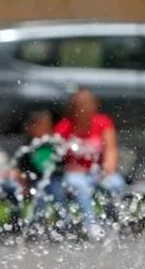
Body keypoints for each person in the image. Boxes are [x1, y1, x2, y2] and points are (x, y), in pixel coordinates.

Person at [51, 89, 126, 240]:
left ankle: (112, 222)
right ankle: (90, 224)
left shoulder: (103, 123)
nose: (83, 108)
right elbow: (55, 157)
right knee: (79, 185)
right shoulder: (64, 127)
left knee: (115, 184)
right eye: (79, 104)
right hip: (74, 175)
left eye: (87, 104)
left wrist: (107, 170)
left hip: (97, 172)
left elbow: (110, 150)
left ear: (94, 105)